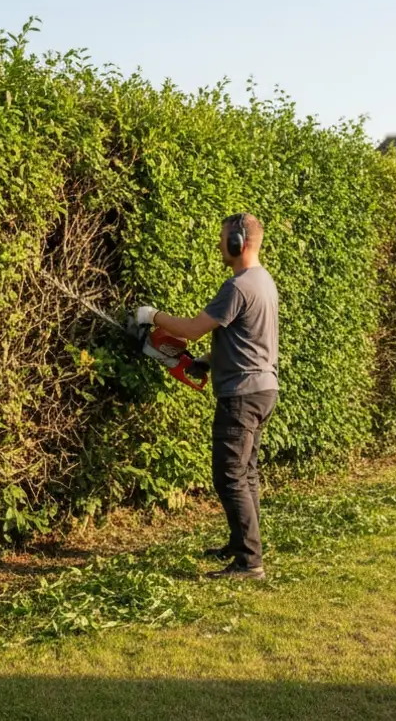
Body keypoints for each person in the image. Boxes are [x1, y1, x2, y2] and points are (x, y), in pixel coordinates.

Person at [134, 213, 279, 580]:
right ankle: (242, 546)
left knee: (229, 475)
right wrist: (206, 362)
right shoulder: (263, 281)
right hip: (262, 389)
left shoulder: (239, 286)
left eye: (223, 238)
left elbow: (193, 329)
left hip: (242, 395)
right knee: (245, 474)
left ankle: (249, 562)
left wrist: (153, 316)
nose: (220, 244)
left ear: (238, 242)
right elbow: (242, 338)